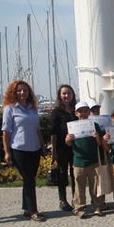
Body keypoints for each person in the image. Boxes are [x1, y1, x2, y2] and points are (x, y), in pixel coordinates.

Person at [1, 81, 47, 222]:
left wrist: (43, 146)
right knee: (29, 179)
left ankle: (27, 208)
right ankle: (33, 211)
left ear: (29, 92)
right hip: (19, 149)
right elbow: (6, 132)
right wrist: (6, 151)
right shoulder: (10, 109)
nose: (22, 93)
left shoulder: (32, 108)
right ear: (14, 92)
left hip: (34, 149)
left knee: (30, 179)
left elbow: (37, 128)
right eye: (19, 90)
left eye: (25, 90)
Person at [65, 102, 106, 219]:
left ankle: (98, 206)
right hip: (79, 161)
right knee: (79, 186)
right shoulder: (72, 126)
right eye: (80, 111)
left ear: (89, 112)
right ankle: (79, 208)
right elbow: (69, 143)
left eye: (85, 111)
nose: (83, 113)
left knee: (95, 185)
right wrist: (67, 139)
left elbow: (100, 144)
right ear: (76, 113)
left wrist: (98, 137)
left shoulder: (95, 125)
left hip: (93, 160)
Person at [50, 84, 77, 212]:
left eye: (69, 93)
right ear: (60, 95)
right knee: (62, 174)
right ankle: (63, 200)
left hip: (75, 148)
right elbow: (53, 132)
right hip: (61, 147)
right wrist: (53, 151)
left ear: (73, 95)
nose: (67, 96)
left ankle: (75, 199)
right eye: (64, 93)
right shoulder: (56, 112)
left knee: (75, 174)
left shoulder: (75, 111)